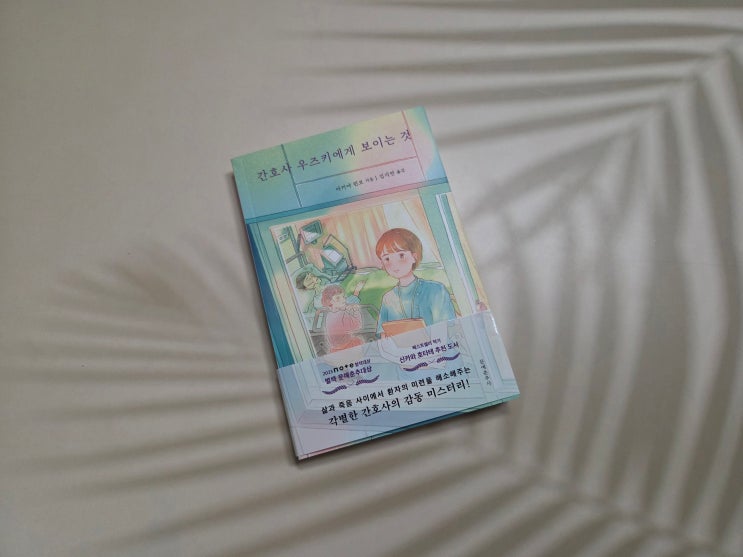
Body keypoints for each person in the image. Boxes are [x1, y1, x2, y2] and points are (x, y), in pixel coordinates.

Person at [375, 228, 456, 336]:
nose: (394, 264)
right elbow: (384, 335)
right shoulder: (388, 298)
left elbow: (446, 329)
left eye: (401, 255)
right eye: (387, 259)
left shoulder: (436, 290)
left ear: (414, 257)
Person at [321, 284, 363, 352]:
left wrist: (347, 308)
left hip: (335, 349)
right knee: (359, 341)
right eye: (338, 298)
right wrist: (356, 311)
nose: (343, 300)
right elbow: (358, 325)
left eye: (343, 297)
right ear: (330, 301)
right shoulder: (342, 314)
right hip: (346, 347)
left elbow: (342, 308)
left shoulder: (329, 314)